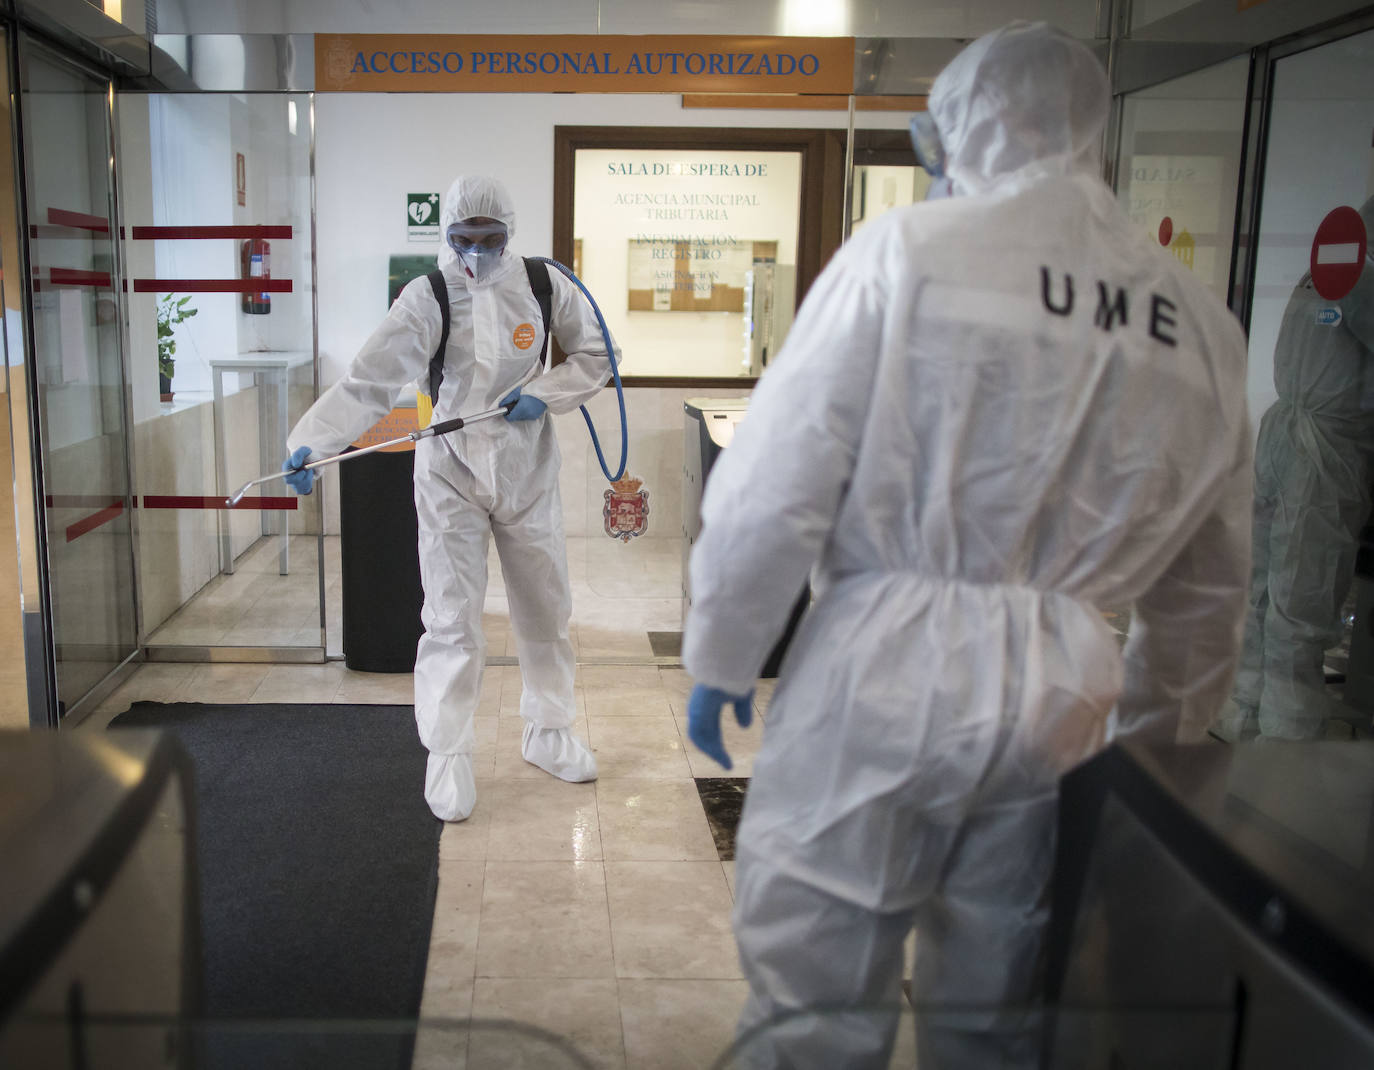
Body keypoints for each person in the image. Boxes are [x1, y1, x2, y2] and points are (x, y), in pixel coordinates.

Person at [682, 22, 1252, 1069]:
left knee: (814, 998)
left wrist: (721, 654)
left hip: (883, 672)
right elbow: (1207, 595)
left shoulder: (907, 253)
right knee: (1001, 1005)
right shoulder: (1201, 324)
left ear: (982, 125)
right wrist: (1158, 747)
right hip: (1069, 700)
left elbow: (775, 483)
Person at [283, 175, 613, 821]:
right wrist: (312, 444)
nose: (478, 251)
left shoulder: (545, 286)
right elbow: (368, 381)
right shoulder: (428, 296)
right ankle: (449, 752)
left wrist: (545, 392)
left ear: (510, 233)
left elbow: (600, 355)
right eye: (465, 239)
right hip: (449, 474)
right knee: (452, 620)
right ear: (448, 236)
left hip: (527, 471)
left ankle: (548, 731)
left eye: (491, 239)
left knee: (545, 610)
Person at [1220, 195, 1374, 741]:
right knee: (1268, 588)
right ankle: (1258, 720)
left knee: (1291, 602)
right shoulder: (1346, 267)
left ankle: (1277, 730)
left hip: (1314, 446)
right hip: (1299, 438)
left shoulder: (1348, 270)